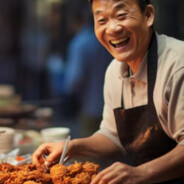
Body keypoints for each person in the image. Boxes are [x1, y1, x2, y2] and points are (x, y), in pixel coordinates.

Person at [32, 0, 184, 183]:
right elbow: (113, 137)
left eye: (121, 15)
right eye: (102, 20)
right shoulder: (114, 70)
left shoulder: (177, 65)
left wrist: (141, 173)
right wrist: (70, 147)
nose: (112, 29)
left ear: (148, 15)